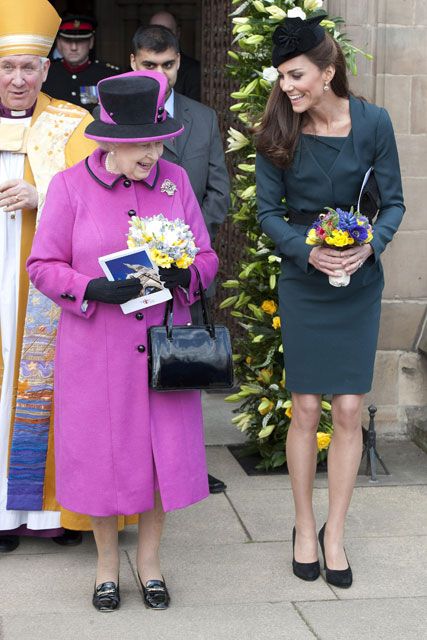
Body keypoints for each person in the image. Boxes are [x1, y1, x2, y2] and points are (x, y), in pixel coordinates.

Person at [27, 70, 219, 611]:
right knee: (104, 458)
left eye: (159, 140)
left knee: (160, 459)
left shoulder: (175, 183)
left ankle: (151, 564)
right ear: (112, 141)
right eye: (143, 143)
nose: (154, 152)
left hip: (163, 346)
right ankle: (107, 566)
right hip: (97, 351)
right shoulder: (69, 187)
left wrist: (189, 276)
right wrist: (90, 287)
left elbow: (206, 256)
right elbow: (42, 266)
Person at [255, 15, 404, 588]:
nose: (287, 86)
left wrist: (369, 248)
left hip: (359, 283)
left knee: (347, 410)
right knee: (308, 408)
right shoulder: (277, 128)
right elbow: (268, 212)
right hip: (304, 279)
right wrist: (305, 252)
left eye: (296, 76)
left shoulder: (374, 123)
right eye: (282, 76)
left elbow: (393, 203)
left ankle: (335, 533)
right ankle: (302, 526)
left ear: (328, 70)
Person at [0, 0, 99, 553]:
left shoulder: (72, 123)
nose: (18, 79)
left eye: (29, 68)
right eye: (8, 67)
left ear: (46, 68)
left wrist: (45, 196)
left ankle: (55, 513)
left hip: (45, 283)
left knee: (49, 385)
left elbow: (97, 200)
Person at [130, 25, 231, 494]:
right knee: (131, 378)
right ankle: (136, 468)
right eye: (149, 65)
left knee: (181, 371)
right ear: (134, 64)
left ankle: (186, 465)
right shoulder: (111, 118)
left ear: (178, 63)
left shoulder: (203, 118)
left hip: (183, 270)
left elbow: (219, 193)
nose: (160, 74)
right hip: (131, 272)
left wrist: (184, 245)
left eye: (167, 65)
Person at [42, 15, 121, 113]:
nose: (74, 47)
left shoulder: (108, 76)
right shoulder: (45, 74)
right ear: (58, 43)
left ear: (91, 42)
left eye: (80, 41)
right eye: (67, 41)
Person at [149, 10, 201, 102]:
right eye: (155, 32)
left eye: (167, 32)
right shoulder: (135, 68)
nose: (160, 37)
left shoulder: (194, 70)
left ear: (178, 33)